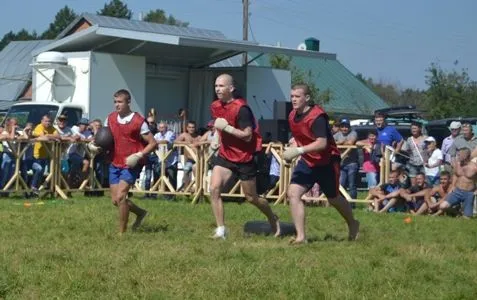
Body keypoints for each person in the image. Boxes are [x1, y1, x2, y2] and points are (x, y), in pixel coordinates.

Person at [282, 83, 359, 244]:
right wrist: (292, 151)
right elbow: (300, 138)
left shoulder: (317, 117)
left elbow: (322, 143)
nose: (294, 100)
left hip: (327, 161)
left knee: (333, 198)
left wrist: (298, 151)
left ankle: (352, 222)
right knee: (293, 194)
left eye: (297, 96)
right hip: (308, 161)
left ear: (307, 98)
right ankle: (301, 237)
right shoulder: (291, 116)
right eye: (292, 96)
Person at [209, 73, 280, 239]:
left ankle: (272, 216)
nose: (218, 89)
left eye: (221, 86)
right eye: (216, 86)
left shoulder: (242, 108)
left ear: (231, 88)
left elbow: (248, 135)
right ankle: (221, 230)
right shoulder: (215, 106)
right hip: (226, 155)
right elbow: (220, 127)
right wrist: (216, 139)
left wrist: (227, 129)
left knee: (251, 198)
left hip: (245, 157)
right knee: (213, 189)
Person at [90, 89, 157, 233]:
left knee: (121, 196)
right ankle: (140, 213)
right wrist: (95, 145)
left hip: (130, 163)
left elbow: (153, 143)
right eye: (115, 102)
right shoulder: (111, 118)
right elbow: (105, 138)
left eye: (120, 102)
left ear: (128, 102)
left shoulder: (139, 121)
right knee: (116, 200)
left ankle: (122, 233)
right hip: (114, 161)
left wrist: (139, 155)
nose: (116, 105)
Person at [439, 148, 477, 219]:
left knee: (467, 218)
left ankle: (465, 215)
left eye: (460, 155)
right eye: (458, 154)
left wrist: (476, 191)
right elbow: (455, 175)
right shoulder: (458, 164)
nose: (458, 156)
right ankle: (458, 213)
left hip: (469, 193)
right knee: (442, 206)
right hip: (457, 191)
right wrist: (453, 186)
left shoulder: (474, 167)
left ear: (466, 156)